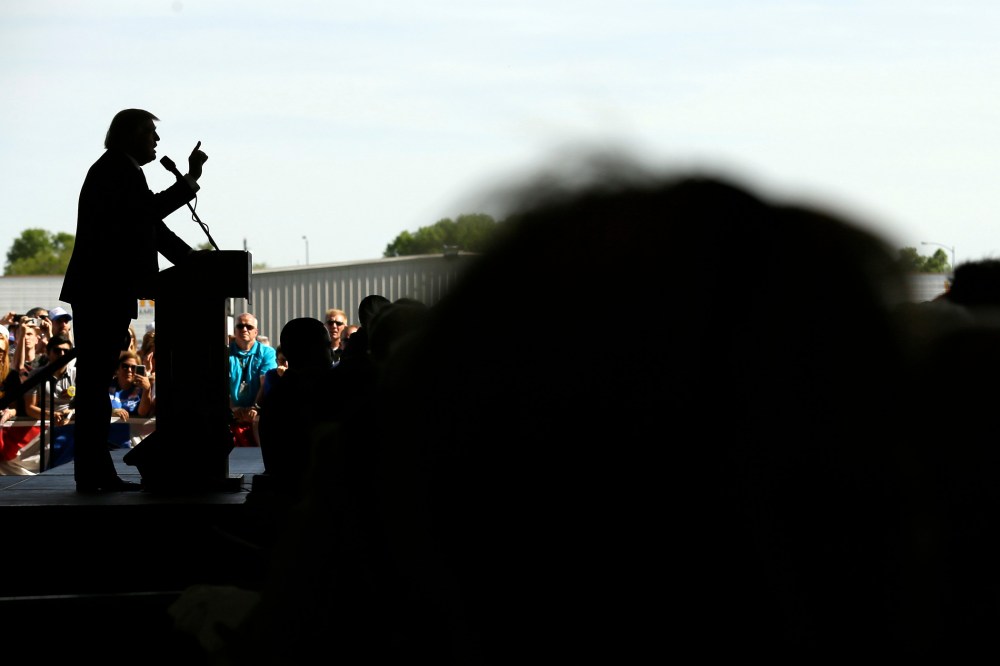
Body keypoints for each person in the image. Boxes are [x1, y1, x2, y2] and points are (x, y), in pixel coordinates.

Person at [60, 108, 208, 492]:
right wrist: (189, 179)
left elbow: (150, 227)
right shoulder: (117, 169)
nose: (156, 142)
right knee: (94, 387)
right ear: (128, 135)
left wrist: (191, 259)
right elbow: (147, 216)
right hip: (101, 291)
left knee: (94, 386)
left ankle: (95, 473)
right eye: (150, 134)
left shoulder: (119, 169)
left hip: (101, 291)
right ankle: (93, 473)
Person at [228, 313, 277, 446]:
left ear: (256, 332)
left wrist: (255, 407)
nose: (244, 329)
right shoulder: (226, 353)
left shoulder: (267, 353)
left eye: (249, 326)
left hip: (257, 414)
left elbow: (265, 382)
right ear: (235, 330)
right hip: (230, 413)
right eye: (240, 326)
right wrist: (233, 408)